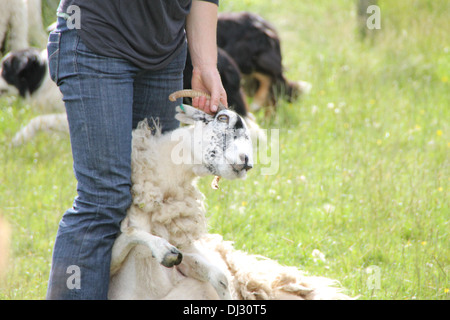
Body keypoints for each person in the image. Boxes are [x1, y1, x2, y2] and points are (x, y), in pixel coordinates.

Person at [46, 0, 227, 299]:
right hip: (96, 40)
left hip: (165, 54)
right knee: (105, 200)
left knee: (152, 199)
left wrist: (205, 63)